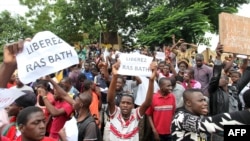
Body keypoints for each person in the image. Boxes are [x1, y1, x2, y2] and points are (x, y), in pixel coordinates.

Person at [171, 88, 250, 141]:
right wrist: (247, 114)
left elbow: (221, 132)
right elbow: (210, 123)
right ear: (188, 103)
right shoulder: (181, 118)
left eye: (205, 100)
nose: (205, 103)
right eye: (200, 101)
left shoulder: (198, 116)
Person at [107, 61, 157, 140]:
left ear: (133, 106)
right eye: (123, 102)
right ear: (119, 104)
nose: (125, 105)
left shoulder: (135, 114)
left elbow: (147, 103)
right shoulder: (115, 113)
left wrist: (151, 80)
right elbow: (110, 100)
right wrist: (115, 76)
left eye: (128, 103)